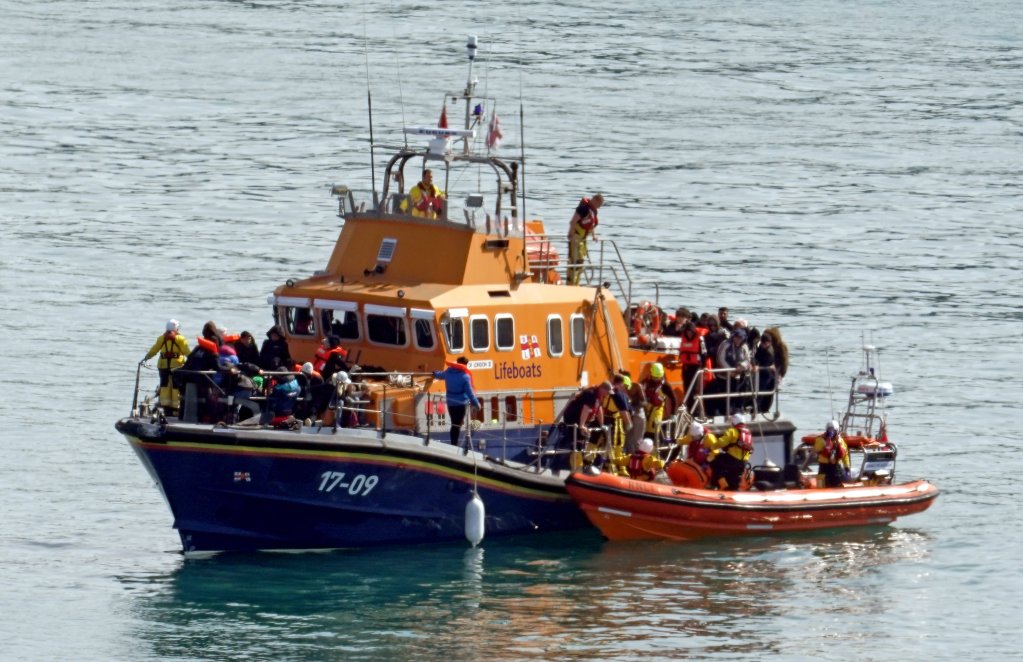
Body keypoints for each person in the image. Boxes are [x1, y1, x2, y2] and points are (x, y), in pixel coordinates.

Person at [142, 319, 191, 413]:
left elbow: (154, 350)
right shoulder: (181, 339)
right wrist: (194, 360)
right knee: (176, 386)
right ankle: (176, 408)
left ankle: (164, 406)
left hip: (163, 366)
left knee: (164, 385)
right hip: (177, 366)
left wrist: (146, 358)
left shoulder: (161, 338)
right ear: (176, 328)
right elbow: (187, 352)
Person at [433, 356, 481, 446]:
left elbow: (439, 375)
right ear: (465, 365)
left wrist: (434, 373)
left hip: (450, 403)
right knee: (457, 425)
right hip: (461, 404)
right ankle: (454, 445)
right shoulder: (465, 376)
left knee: (454, 423)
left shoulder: (448, 372)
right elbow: (470, 393)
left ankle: (454, 443)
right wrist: (476, 403)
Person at [561, 381, 612, 457]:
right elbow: (586, 409)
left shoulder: (600, 396)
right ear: (602, 389)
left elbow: (599, 409)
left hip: (582, 417)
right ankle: (576, 460)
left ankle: (579, 457)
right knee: (578, 439)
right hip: (573, 416)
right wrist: (582, 425)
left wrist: (601, 424)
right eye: (607, 392)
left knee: (583, 438)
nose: (608, 394)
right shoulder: (591, 394)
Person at [706, 413, 754, 490]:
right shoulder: (748, 434)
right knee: (734, 479)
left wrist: (712, 447)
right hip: (743, 462)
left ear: (734, 422)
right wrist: (744, 460)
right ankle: (733, 491)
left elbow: (722, 442)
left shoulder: (732, 431)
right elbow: (750, 449)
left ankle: (715, 485)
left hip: (731, 459)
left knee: (715, 462)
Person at [566, 193, 603, 286]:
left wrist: (593, 236)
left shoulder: (592, 211)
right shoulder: (583, 208)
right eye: (599, 204)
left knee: (581, 263)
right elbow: (573, 221)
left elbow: (591, 225)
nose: (599, 207)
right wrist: (570, 234)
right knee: (575, 261)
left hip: (583, 240)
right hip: (576, 237)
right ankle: (570, 284)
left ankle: (576, 284)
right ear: (595, 200)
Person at [603, 374, 634, 474]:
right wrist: (629, 423)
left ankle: (619, 467)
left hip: (611, 420)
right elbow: (624, 411)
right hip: (612, 421)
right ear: (622, 384)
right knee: (614, 444)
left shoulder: (610, 392)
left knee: (617, 444)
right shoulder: (617, 395)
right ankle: (614, 468)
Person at [717, 327, 752, 412]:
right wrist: (730, 370)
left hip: (738, 375)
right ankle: (725, 410)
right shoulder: (725, 344)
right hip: (724, 376)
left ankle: (737, 408)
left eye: (740, 338)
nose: (738, 339)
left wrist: (742, 366)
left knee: (738, 391)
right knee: (724, 394)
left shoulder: (744, 346)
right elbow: (721, 359)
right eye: (737, 337)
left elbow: (748, 359)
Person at [642, 362, 677, 443]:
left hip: (657, 411)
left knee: (654, 432)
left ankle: (656, 447)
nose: (656, 379)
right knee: (644, 431)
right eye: (655, 377)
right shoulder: (645, 382)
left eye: (658, 377)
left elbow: (674, 399)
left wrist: (673, 414)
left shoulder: (665, 385)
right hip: (646, 410)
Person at [677, 322, 707, 406]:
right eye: (687, 331)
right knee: (686, 387)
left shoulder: (700, 339)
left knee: (693, 388)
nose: (689, 333)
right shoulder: (683, 338)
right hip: (686, 366)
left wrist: (704, 366)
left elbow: (704, 353)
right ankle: (688, 406)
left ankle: (693, 408)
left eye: (691, 332)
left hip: (695, 366)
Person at [814, 420, 851, 487]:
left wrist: (847, 468)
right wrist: (828, 442)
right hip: (824, 467)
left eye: (833, 430)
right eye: (829, 429)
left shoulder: (841, 441)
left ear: (837, 430)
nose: (831, 431)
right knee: (822, 485)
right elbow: (818, 449)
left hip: (836, 468)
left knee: (837, 485)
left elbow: (844, 455)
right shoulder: (820, 439)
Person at [621, 370, 646, 453]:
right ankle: (630, 457)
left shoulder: (636, 386)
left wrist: (633, 404)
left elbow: (644, 402)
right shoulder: (619, 388)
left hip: (638, 413)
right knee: (628, 439)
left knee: (637, 439)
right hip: (627, 414)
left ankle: (639, 456)